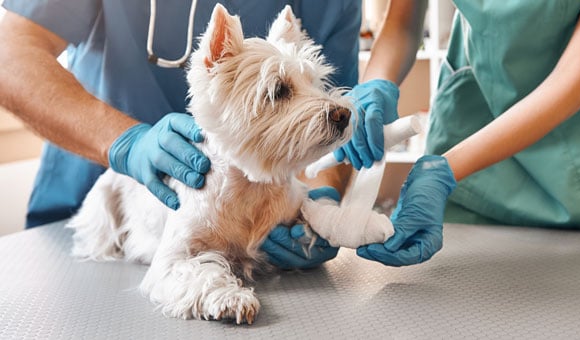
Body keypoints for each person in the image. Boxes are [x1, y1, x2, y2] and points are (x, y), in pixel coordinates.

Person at [0, 0, 362, 270]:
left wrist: (321, 207)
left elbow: (331, 125)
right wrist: (126, 144)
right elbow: (10, 56)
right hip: (92, 215)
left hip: (261, 231)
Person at [335, 0, 580, 267]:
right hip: (472, 147)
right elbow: (403, 24)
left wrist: (445, 171)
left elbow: (575, 73)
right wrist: (376, 84)